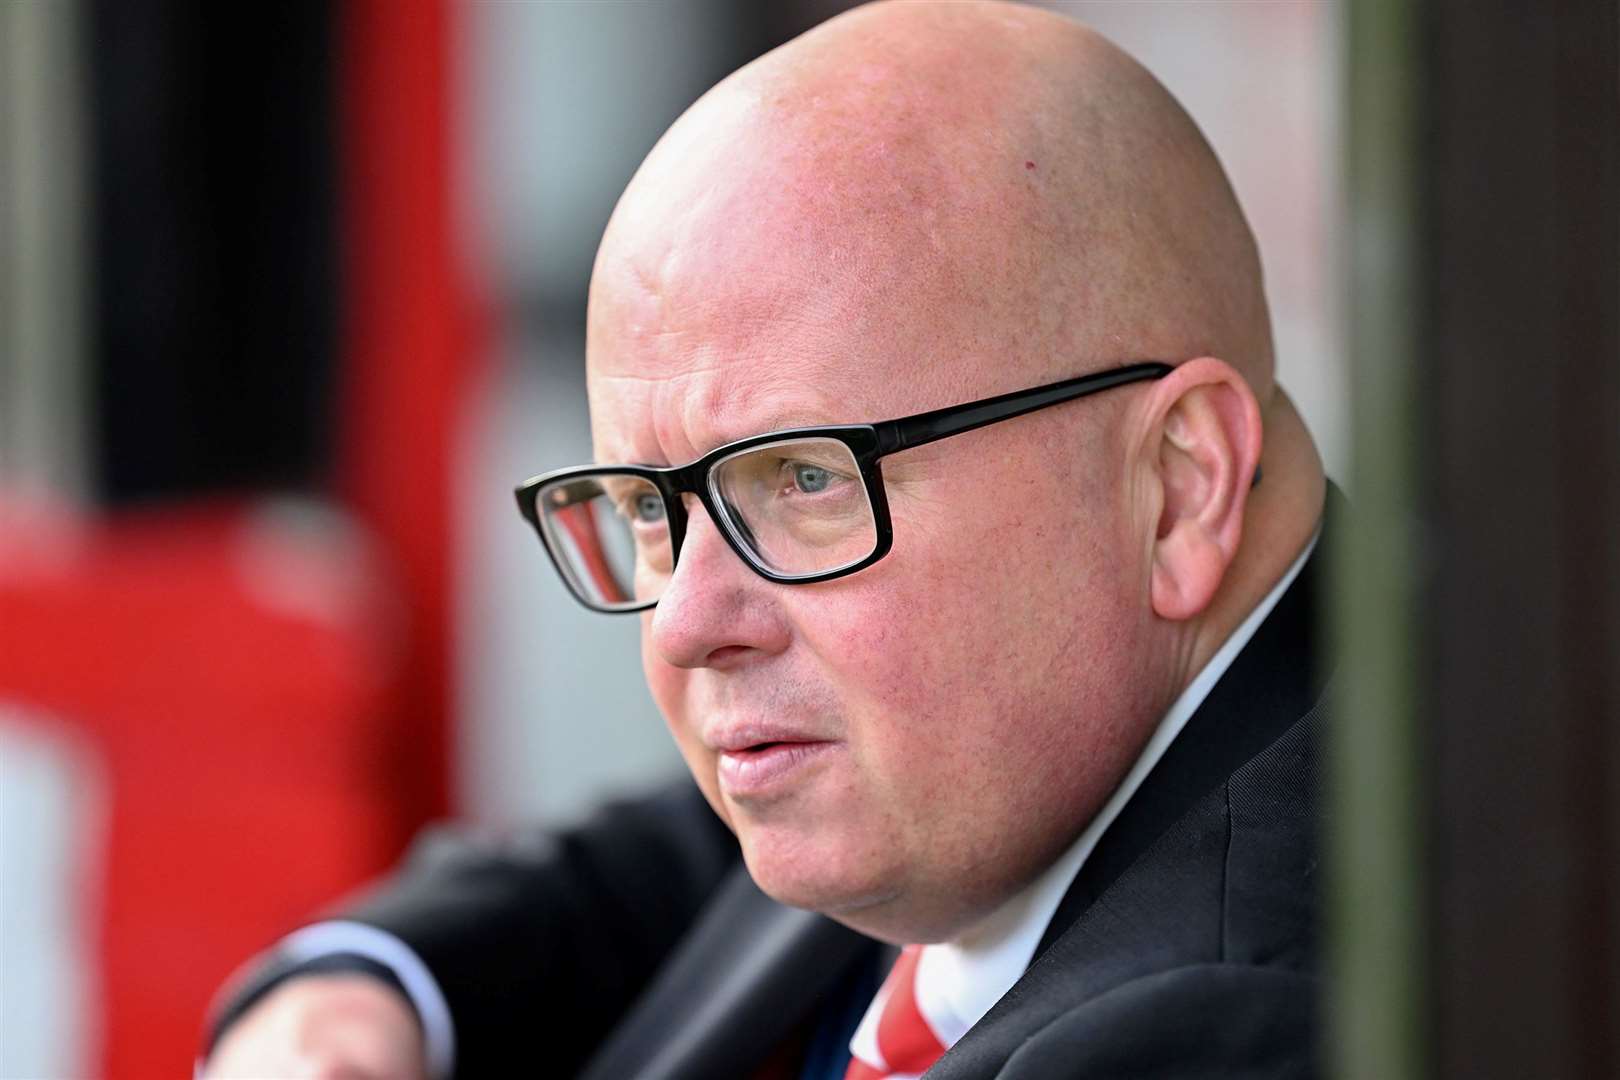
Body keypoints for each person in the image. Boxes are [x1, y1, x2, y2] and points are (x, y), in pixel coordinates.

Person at [204, 2, 1332, 1077]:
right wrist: (360, 988)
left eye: (802, 479)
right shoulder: (991, 767)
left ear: (1179, 486)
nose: (687, 625)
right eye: (651, 508)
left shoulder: (1229, 1021)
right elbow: (663, 872)